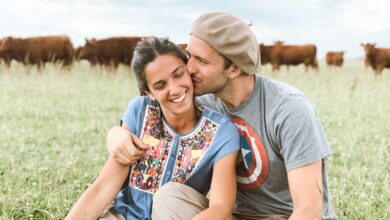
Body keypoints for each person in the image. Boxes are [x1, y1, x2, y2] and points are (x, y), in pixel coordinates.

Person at [108, 13, 338, 220]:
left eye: (202, 61)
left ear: (234, 69)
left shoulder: (288, 109)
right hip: (231, 215)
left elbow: (309, 210)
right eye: (190, 55)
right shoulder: (202, 102)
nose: (189, 68)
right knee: (169, 197)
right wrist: (117, 133)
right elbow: (150, 108)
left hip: (285, 216)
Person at [66, 37, 240, 220]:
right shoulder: (140, 111)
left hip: (180, 215)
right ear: (149, 92)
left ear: (188, 70)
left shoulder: (222, 131)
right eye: (160, 85)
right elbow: (103, 187)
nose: (174, 89)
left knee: (168, 196)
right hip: (124, 216)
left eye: (179, 74)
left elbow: (221, 209)